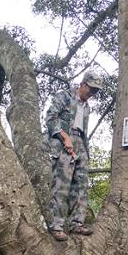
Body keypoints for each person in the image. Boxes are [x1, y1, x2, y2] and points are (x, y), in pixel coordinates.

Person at [44, 69, 103, 241]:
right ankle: (56, 226)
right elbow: (50, 118)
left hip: (80, 143)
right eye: (91, 89)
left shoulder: (87, 107)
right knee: (62, 185)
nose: (92, 93)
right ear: (83, 84)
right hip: (62, 142)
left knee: (82, 185)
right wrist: (65, 138)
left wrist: (82, 148)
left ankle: (77, 223)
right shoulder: (64, 96)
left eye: (95, 91)